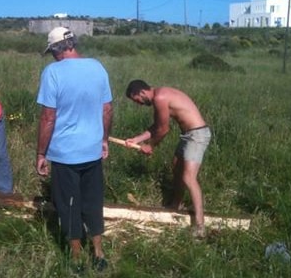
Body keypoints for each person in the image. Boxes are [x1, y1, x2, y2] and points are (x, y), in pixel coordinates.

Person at [35, 27, 113, 272]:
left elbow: (48, 117)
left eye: (52, 53)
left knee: (69, 205)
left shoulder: (52, 72)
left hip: (65, 153)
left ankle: (77, 259)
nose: (53, 57)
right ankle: (99, 254)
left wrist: (40, 153)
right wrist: (104, 140)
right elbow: (107, 109)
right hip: (91, 150)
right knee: (92, 202)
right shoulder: (98, 67)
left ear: (57, 49)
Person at [124, 79, 211, 238]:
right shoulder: (161, 95)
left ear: (142, 92)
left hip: (197, 135)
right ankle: (175, 205)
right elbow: (157, 126)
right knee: (176, 168)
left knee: (188, 177)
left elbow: (163, 130)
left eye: (137, 100)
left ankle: (200, 225)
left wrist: (150, 146)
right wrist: (136, 139)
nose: (139, 104)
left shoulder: (160, 98)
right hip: (188, 135)